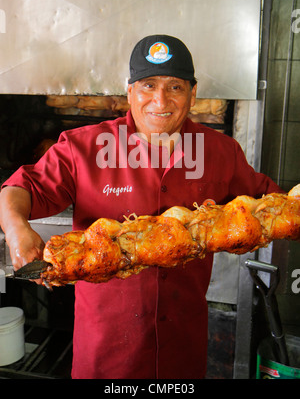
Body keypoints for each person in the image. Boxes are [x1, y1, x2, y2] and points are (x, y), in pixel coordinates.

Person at [0, 34, 282, 379]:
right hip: (106, 349)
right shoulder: (83, 147)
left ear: (193, 94)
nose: (160, 100)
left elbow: (273, 206)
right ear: (129, 91)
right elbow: (21, 187)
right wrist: (16, 229)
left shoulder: (221, 152)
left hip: (183, 343)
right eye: (148, 85)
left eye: (175, 87)